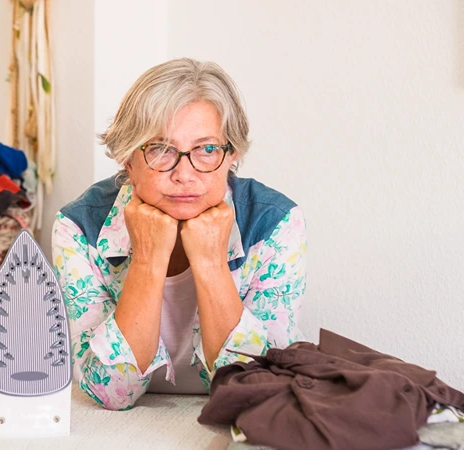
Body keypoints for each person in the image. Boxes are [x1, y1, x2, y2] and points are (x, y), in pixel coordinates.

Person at [51, 58, 307, 410]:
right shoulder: (79, 228)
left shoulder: (275, 223)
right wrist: (146, 259)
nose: (185, 174)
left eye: (207, 149)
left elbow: (261, 388)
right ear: (127, 159)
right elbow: (112, 392)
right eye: (160, 149)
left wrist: (212, 263)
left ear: (230, 155)